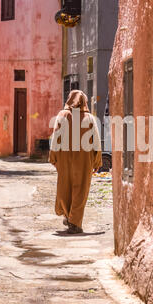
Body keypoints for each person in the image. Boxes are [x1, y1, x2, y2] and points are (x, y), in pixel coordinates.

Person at [49, 90, 102, 234]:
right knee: (81, 190)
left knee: (65, 187)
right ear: (84, 102)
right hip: (84, 159)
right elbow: (96, 141)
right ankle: (75, 222)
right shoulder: (90, 118)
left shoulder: (62, 115)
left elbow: (55, 138)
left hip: (64, 158)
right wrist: (97, 161)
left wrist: (53, 157)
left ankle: (68, 216)